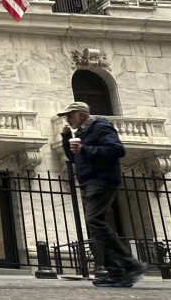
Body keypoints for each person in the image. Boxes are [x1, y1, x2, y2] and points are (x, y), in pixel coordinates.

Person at [60, 101, 147, 288]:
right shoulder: (82, 133)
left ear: (82, 115)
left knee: (94, 221)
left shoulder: (100, 126)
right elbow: (75, 158)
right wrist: (66, 139)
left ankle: (130, 263)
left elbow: (117, 150)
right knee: (95, 226)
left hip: (102, 180)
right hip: (88, 181)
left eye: (70, 115)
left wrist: (85, 149)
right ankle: (115, 272)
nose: (67, 119)